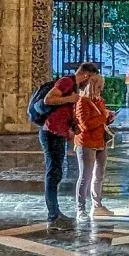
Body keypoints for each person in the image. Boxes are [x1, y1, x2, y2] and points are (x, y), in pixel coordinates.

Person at [40, 62, 99, 230]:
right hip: (50, 132)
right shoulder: (67, 82)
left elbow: (65, 111)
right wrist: (70, 98)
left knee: (56, 173)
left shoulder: (73, 86)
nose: (89, 85)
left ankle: (55, 213)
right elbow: (48, 99)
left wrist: (72, 126)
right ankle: (53, 216)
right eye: (91, 80)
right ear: (87, 76)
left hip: (58, 133)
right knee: (53, 173)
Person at [73, 73, 117, 221]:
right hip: (86, 143)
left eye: (102, 87)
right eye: (99, 87)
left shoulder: (100, 101)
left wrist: (109, 118)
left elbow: (101, 121)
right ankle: (80, 209)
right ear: (91, 86)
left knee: (99, 175)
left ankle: (97, 206)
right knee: (85, 176)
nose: (100, 90)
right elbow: (85, 125)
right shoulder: (81, 102)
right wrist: (103, 117)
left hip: (100, 142)